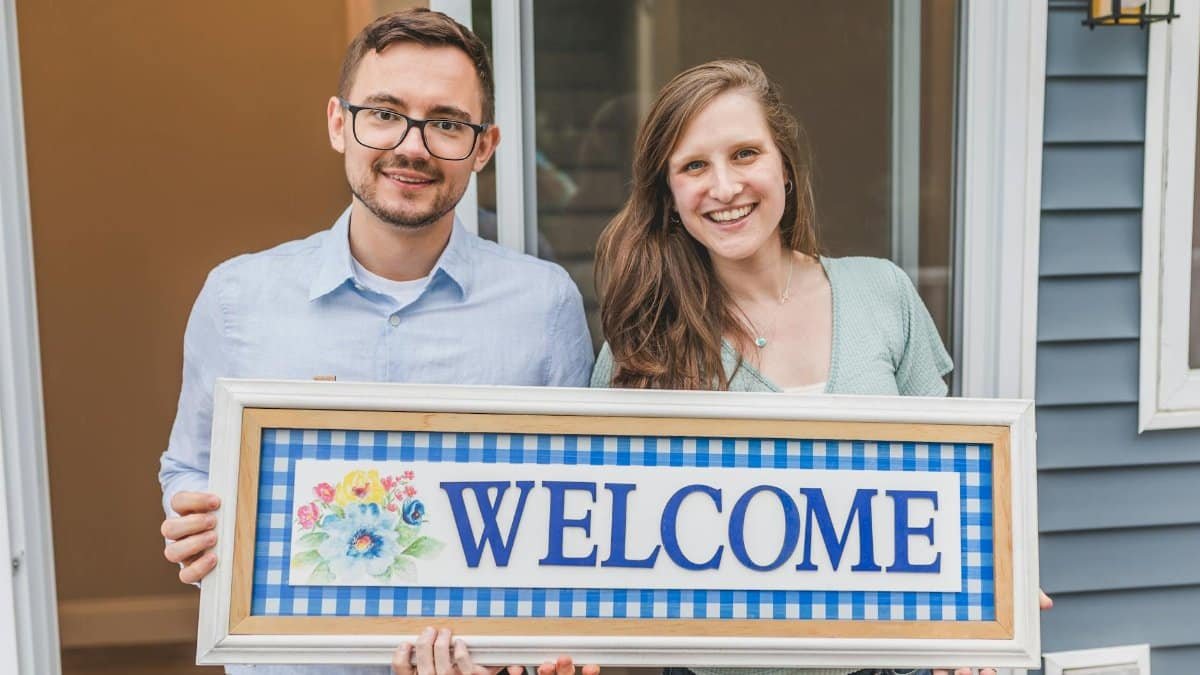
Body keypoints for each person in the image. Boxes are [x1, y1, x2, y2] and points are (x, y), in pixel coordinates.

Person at [157, 9, 594, 675]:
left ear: (484, 145)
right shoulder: (237, 298)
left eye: (447, 122)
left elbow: (574, 503)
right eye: (385, 113)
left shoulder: (546, 306)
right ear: (339, 123)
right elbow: (190, 467)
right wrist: (193, 523)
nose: (412, 146)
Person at [590, 59, 1049, 675]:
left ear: (784, 164)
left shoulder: (882, 291)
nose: (724, 187)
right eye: (694, 165)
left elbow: (948, 495)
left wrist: (996, 594)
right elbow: (606, 554)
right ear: (668, 194)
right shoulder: (642, 339)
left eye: (746, 153)